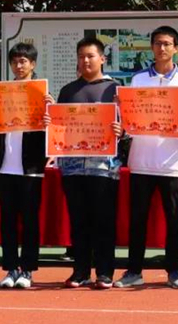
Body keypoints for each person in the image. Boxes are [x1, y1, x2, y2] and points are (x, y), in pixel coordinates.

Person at [115, 26, 178, 289]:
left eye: (167, 44)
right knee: (138, 218)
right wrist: (122, 109)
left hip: (173, 161)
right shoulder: (139, 79)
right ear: (151, 47)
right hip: (141, 159)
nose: (162, 48)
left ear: (176, 48)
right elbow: (128, 119)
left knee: (174, 218)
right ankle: (133, 271)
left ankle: (175, 271)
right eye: (158, 43)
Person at [49, 37, 125, 289]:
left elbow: (129, 124)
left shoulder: (115, 89)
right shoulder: (68, 91)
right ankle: (80, 271)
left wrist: (122, 130)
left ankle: (104, 272)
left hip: (104, 166)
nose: (85, 61)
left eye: (91, 56)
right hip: (72, 165)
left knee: (103, 219)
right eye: (81, 56)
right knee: (78, 219)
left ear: (102, 58)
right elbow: (59, 126)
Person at [0, 43, 49, 289]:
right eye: (15, 62)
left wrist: (50, 111)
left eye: (23, 61)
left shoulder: (42, 94)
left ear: (33, 64)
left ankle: (27, 270)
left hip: (31, 167)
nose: (19, 66)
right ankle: (11, 269)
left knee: (30, 221)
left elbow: (52, 129)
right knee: (7, 221)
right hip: (4, 166)